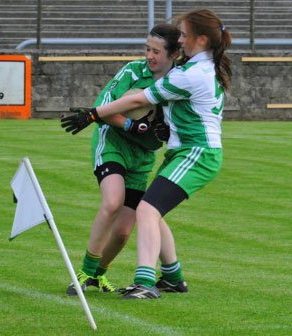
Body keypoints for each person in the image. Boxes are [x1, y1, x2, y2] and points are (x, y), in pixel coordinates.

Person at [61, 8, 232, 299]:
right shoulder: (193, 69)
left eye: (184, 34)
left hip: (196, 153)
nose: (180, 39)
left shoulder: (189, 74)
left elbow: (140, 98)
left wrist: (92, 115)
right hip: (185, 152)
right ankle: (173, 278)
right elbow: (139, 102)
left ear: (201, 40)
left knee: (146, 210)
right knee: (153, 211)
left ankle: (144, 282)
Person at [62, 23, 187, 295]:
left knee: (122, 232)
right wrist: (132, 126)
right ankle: (83, 272)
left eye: (156, 51)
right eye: (147, 49)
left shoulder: (179, 81)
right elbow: (104, 109)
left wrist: (165, 131)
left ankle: (98, 275)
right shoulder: (132, 71)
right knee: (112, 201)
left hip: (142, 157)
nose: (149, 56)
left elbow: (178, 125)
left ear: (174, 54)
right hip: (113, 144)